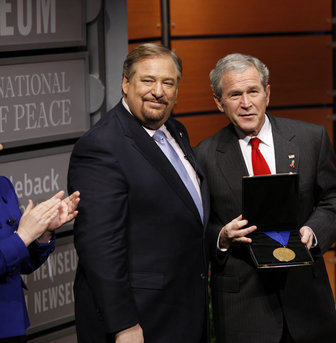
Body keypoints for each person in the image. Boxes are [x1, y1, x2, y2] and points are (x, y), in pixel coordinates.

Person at [195, 53, 336, 343]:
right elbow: (195, 227)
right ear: (219, 102)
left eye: (253, 91)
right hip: (243, 308)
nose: (246, 103)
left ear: (267, 93)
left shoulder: (310, 139)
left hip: (306, 300)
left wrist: (314, 231)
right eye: (234, 95)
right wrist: (222, 236)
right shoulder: (202, 156)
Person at [67, 43, 209, 343]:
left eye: (167, 83)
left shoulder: (176, 131)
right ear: (125, 83)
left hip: (182, 311)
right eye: (148, 80)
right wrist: (124, 324)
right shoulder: (102, 145)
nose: (158, 91)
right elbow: (99, 245)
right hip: (139, 321)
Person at [0, 144, 80, 342]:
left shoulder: (3, 186)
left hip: (10, 325)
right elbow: (19, 242)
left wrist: (44, 232)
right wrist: (23, 236)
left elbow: (20, 263)